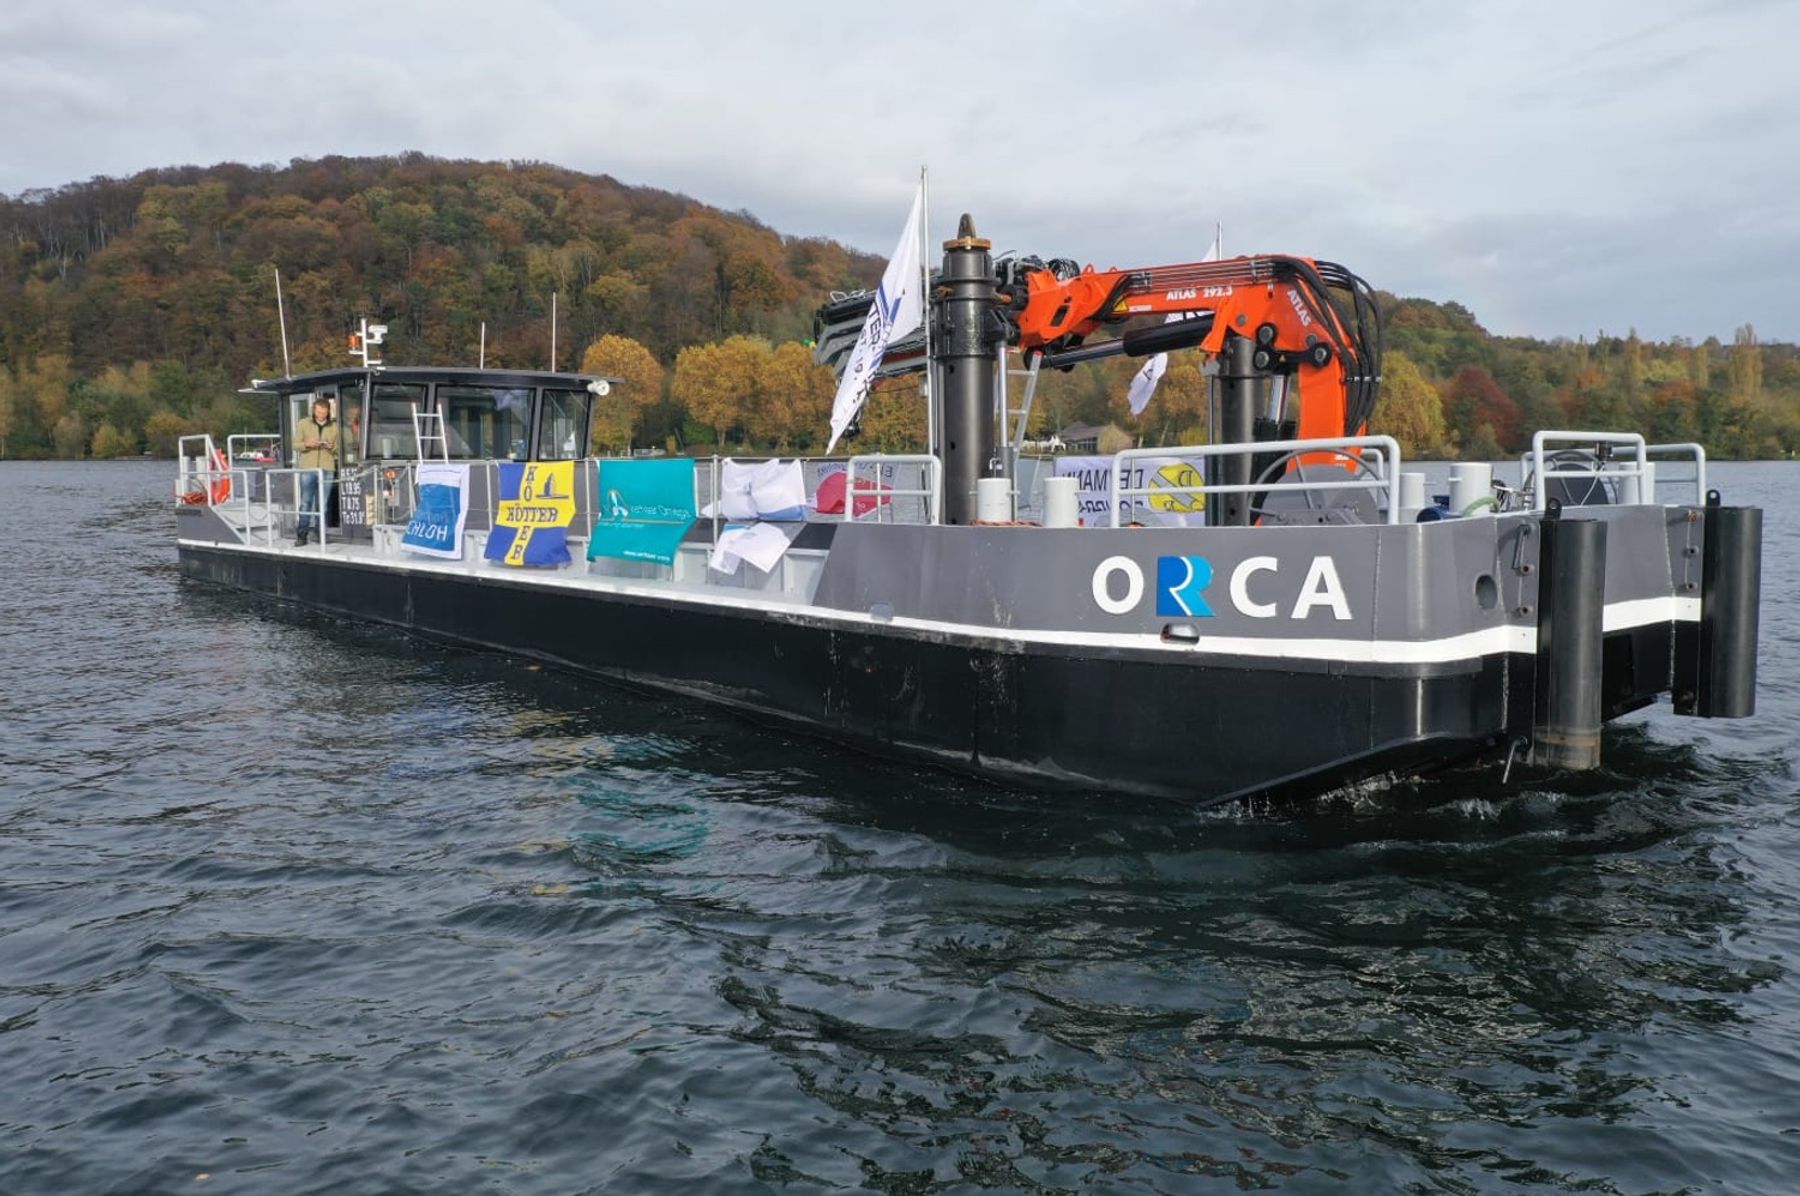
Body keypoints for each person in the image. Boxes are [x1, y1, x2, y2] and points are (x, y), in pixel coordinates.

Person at [294, 396, 340, 545]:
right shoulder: (303, 423)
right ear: (314, 410)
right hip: (308, 468)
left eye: (324, 412)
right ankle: (302, 535)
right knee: (306, 502)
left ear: (328, 412)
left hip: (327, 468)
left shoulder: (335, 426)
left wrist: (331, 446)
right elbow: (295, 445)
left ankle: (321, 534)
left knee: (323, 503)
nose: (321, 414)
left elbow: (340, 449)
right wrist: (307, 444)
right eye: (318, 411)